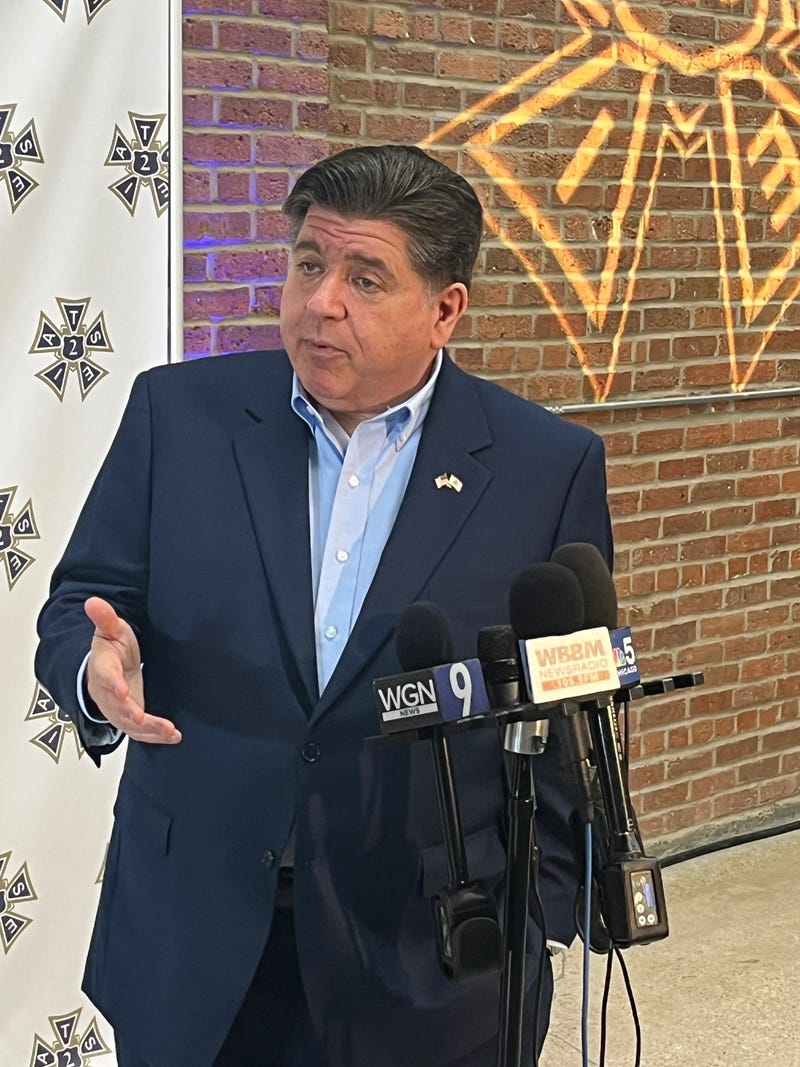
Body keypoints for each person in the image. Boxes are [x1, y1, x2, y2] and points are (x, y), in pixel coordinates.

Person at [36, 144, 613, 1067]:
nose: (320, 302)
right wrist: (93, 669)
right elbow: (80, 604)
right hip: (196, 936)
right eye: (308, 263)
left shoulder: (548, 467)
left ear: (445, 310)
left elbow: (564, 713)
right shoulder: (178, 416)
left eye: (365, 277)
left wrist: (532, 913)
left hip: (428, 961)